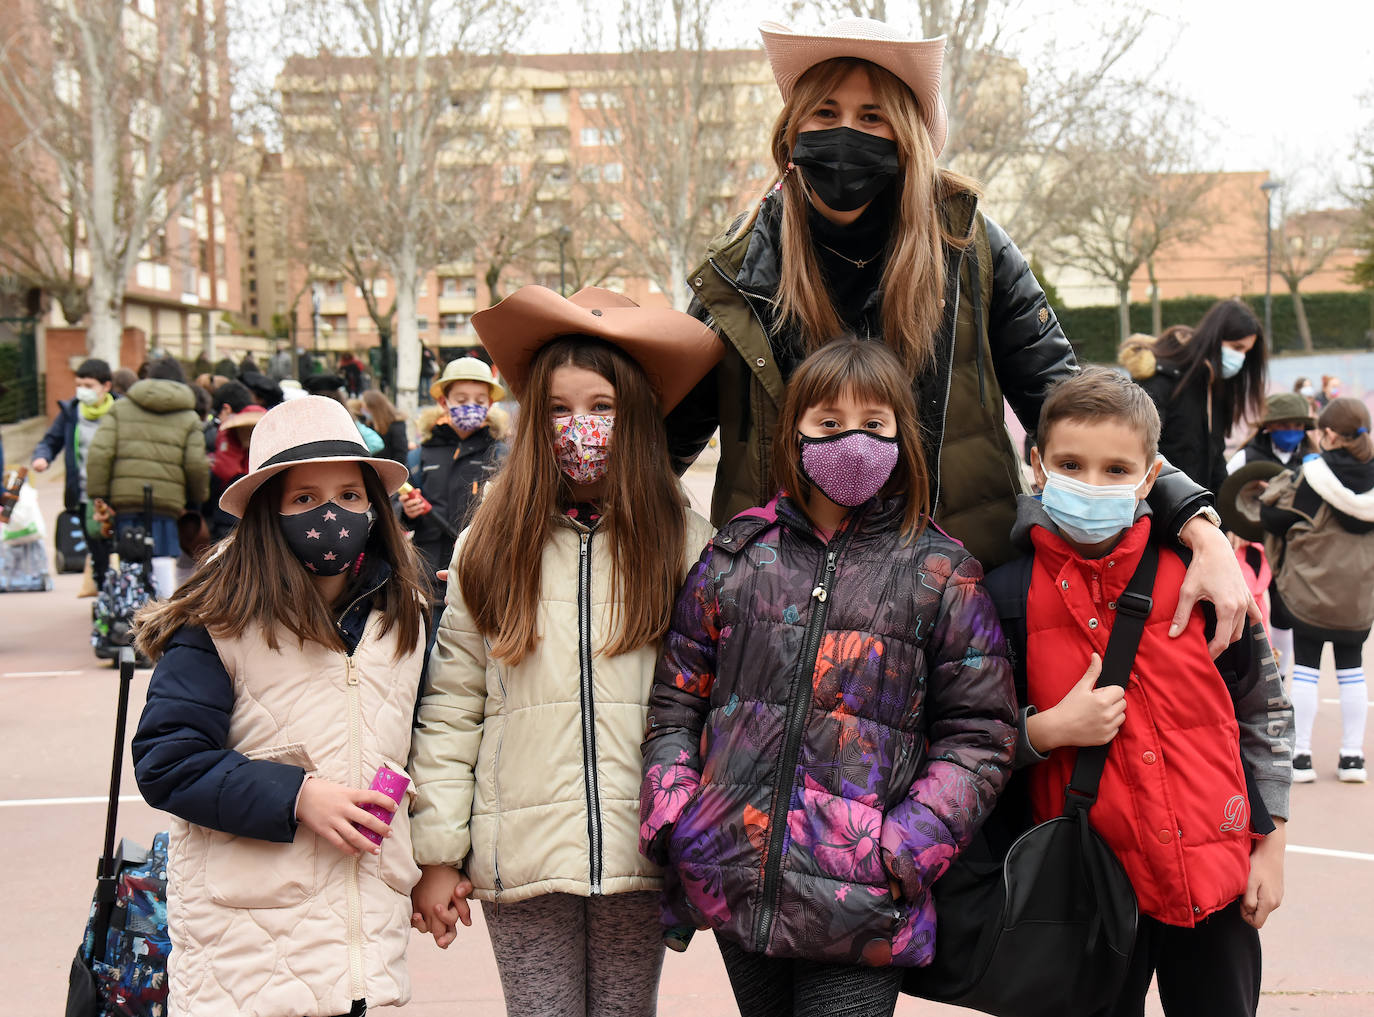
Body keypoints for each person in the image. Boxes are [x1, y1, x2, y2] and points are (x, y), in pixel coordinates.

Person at [666, 17, 1253, 655]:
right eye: (826, 112)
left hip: (954, 594)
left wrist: (1195, 521)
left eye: (872, 117)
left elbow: (1071, 404)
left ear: (909, 135)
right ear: (791, 129)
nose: (845, 134)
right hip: (782, 601)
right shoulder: (742, 268)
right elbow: (664, 439)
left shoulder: (969, 247)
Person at [640, 339, 1014, 1016]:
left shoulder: (940, 571)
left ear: (902, 431)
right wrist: (679, 813)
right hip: (735, 872)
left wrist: (904, 846)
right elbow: (675, 702)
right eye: (829, 421)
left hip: (862, 897)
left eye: (874, 423)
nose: (853, 440)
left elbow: (981, 735)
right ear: (795, 432)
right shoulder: (735, 556)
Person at [407, 286, 719, 1017]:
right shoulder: (491, 542)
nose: (579, 425)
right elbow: (453, 704)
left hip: (638, 851)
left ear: (636, 416)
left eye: (602, 406)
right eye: (557, 408)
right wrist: (439, 851)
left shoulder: (683, 540)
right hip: (521, 850)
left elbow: (711, 701)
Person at [998, 367, 1290, 1017]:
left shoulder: (1207, 580)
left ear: (1151, 478)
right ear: (1039, 464)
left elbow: (1264, 709)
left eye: (1116, 469)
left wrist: (1273, 844)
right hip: (1086, 897)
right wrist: (1042, 730)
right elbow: (971, 737)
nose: (1092, 484)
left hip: (1215, 879)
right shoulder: (1006, 596)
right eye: (1071, 463)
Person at [130, 396, 429, 1017]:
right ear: (268, 512)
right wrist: (297, 796)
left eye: (351, 496)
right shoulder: (217, 620)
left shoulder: (407, 618)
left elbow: (424, 748)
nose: (332, 515)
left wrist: (434, 864)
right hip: (244, 959)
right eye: (304, 499)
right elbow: (168, 761)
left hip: (363, 949)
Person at [1260, 397, 1374, 784]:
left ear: (1327, 433)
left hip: (1311, 592)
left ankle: (1303, 757)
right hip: (1358, 596)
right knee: (1352, 671)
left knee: (1306, 670)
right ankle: (1353, 758)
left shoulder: (1314, 475)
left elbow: (1278, 521)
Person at [84, 358, 210, 599]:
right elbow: (196, 465)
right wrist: (196, 499)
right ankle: (164, 616)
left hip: (126, 501)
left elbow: (100, 454)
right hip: (167, 503)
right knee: (162, 559)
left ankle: (128, 612)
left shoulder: (120, 409)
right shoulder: (189, 417)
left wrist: (100, 496)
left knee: (129, 555)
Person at [1120, 300, 1268, 496]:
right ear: (1214, 338)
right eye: (1236, 347)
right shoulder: (1162, 380)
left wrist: (1228, 513)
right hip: (1160, 507)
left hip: (1194, 507)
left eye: (1246, 352)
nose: (1240, 358)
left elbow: (1215, 459)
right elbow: (1141, 453)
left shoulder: (1215, 386)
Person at [399, 357, 509, 611]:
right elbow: (398, 511)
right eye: (461, 400)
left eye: (479, 401)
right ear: (443, 401)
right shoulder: (420, 456)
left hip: (483, 575)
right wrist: (406, 510)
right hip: (427, 576)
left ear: (490, 404)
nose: (470, 406)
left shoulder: (503, 455)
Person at [30, 357, 116, 586]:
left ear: (106, 386)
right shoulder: (72, 412)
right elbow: (51, 440)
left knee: (115, 548)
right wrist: (42, 457)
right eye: (79, 385)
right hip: (83, 494)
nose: (82, 391)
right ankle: (102, 596)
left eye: (88, 386)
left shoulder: (120, 412)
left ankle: (118, 596)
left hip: (114, 494)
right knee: (96, 549)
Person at [206, 380, 264, 541]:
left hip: (231, 514)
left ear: (227, 409)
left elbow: (225, 470)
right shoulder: (267, 419)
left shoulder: (230, 430)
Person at [362, 390, 408, 464]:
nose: (363, 411)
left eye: (365, 408)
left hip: (390, 469)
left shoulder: (396, 425)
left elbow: (401, 453)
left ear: (373, 408)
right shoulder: (370, 424)